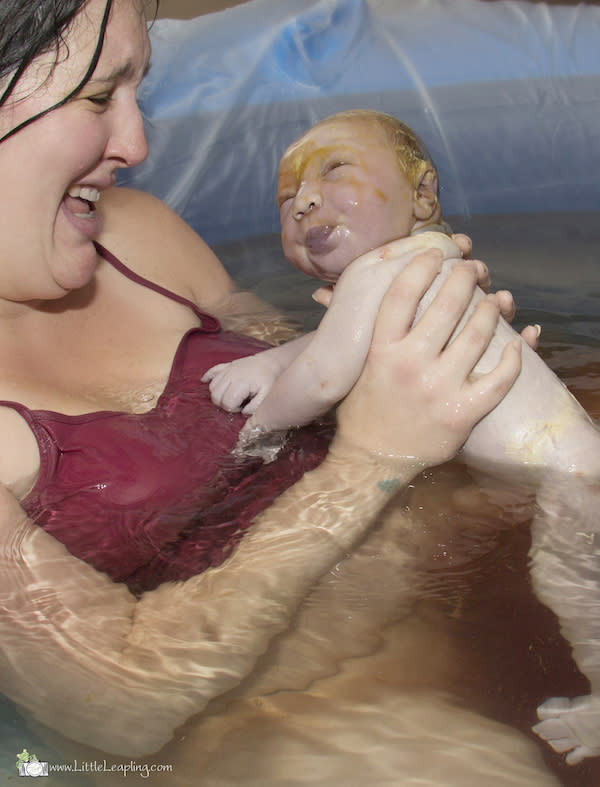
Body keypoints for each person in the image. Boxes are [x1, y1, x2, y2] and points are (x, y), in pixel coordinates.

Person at [0, 1, 561, 781]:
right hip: (311, 731)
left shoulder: (139, 238)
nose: (136, 143)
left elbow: (316, 386)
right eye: (100, 96)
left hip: (462, 612)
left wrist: (444, 361)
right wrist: (377, 455)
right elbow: (124, 701)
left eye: (138, 92)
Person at [204, 109, 600, 482]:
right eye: (287, 200)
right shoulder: (437, 255)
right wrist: (273, 363)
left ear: (423, 193)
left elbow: (324, 378)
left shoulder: (373, 271)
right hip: (565, 453)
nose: (304, 203)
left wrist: (260, 428)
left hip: (553, 472)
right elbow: (355, 343)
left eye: (335, 171)